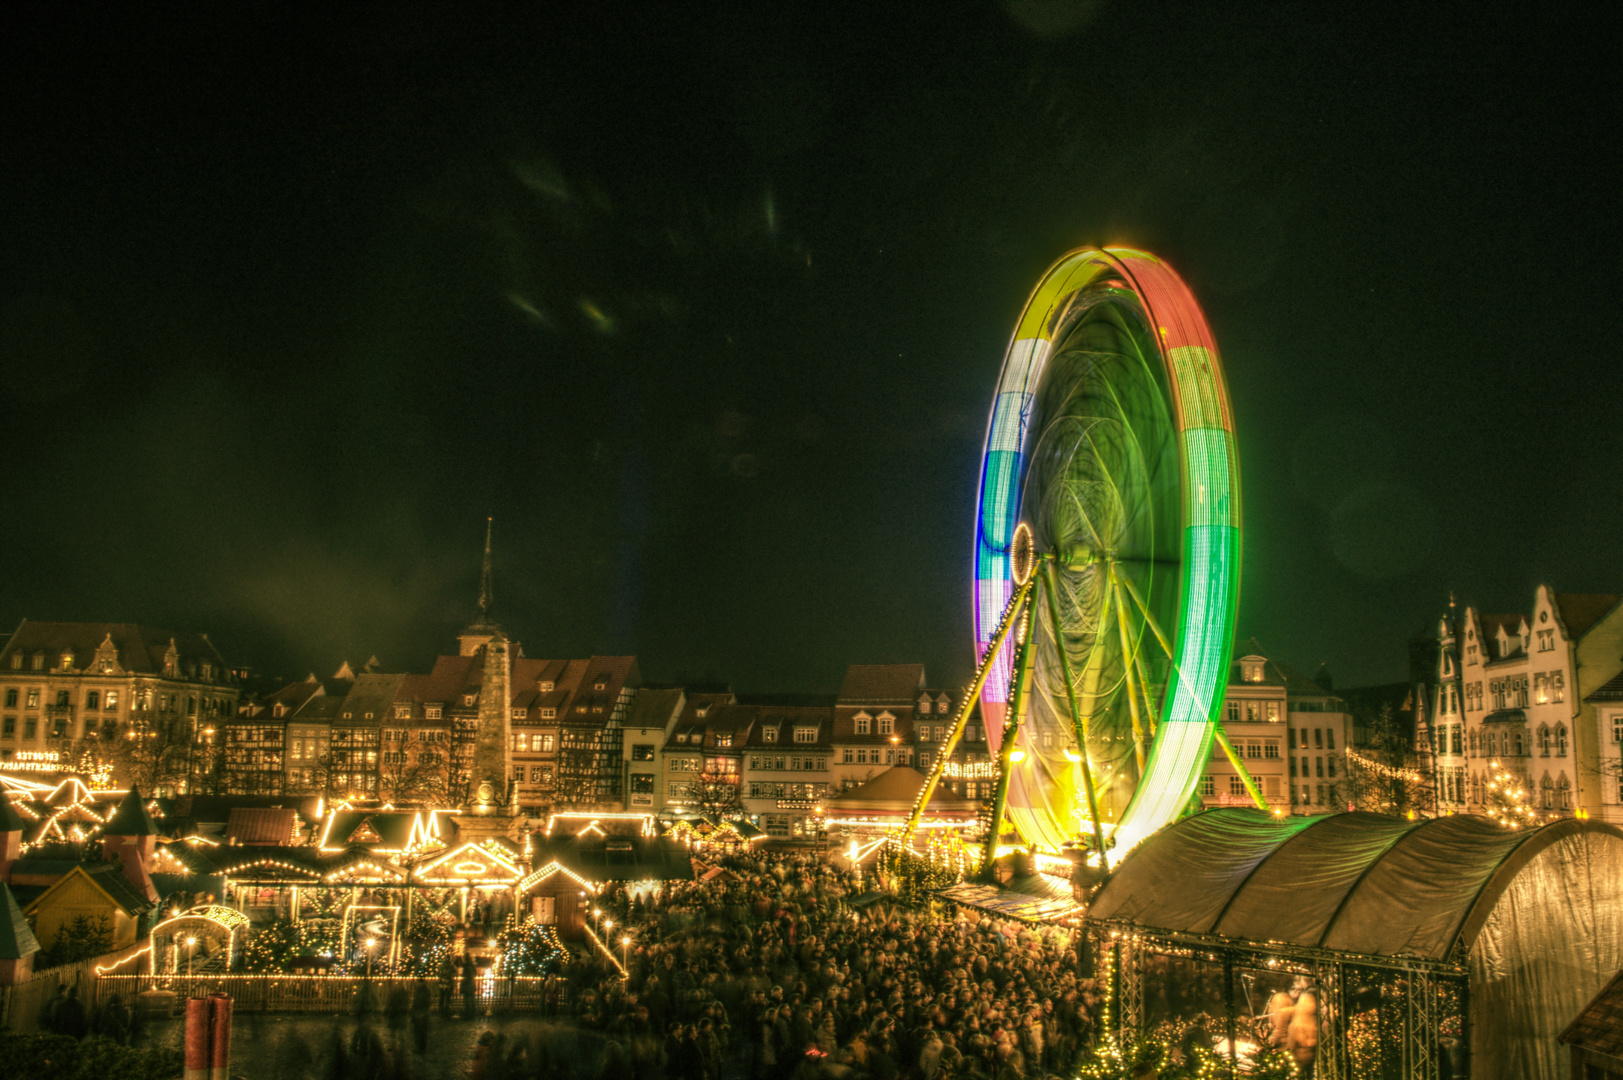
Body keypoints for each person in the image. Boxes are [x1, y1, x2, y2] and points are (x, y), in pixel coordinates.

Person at [411, 980, 432, 1053]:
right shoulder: (419, 990)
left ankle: (421, 1047)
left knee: (422, 1031)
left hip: (422, 1013)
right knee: (417, 1031)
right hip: (418, 1012)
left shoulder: (425, 991)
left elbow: (426, 1002)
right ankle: (418, 1047)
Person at [461, 952, 478, 1020]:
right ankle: (472, 1013)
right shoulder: (472, 965)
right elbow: (474, 973)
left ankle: (467, 1014)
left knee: (466, 1001)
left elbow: (465, 975)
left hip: (467, 985)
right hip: (471, 985)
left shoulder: (466, 966)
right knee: (471, 1000)